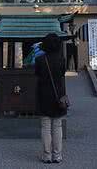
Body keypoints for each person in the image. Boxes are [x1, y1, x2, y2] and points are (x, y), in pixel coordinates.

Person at [34, 33, 67, 164]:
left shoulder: (40, 60)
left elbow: (37, 75)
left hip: (43, 95)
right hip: (58, 95)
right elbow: (62, 75)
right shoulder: (61, 60)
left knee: (45, 127)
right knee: (57, 126)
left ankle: (47, 155)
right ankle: (57, 156)